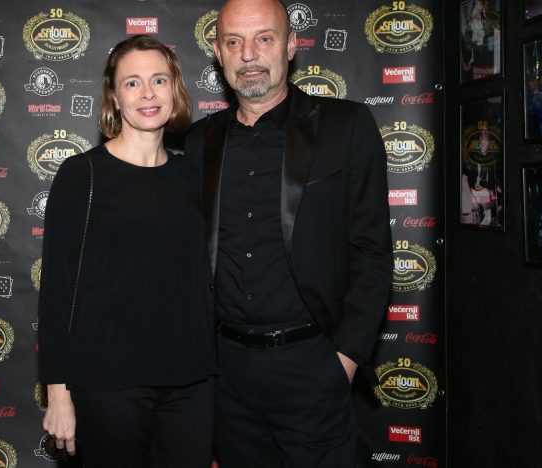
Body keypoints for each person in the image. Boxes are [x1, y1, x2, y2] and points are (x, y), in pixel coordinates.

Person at [184, 0, 393, 466]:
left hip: (313, 367)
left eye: (265, 38)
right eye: (234, 41)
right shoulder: (199, 141)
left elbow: (373, 252)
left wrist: (344, 361)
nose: (249, 54)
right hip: (227, 378)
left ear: (291, 45)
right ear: (218, 52)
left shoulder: (346, 126)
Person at [38, 35, 215, 468]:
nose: (148, 93)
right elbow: (58, 290)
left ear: (175, 89)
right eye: (132, 83)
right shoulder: (83, 175)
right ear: (115, 97)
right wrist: (58, 393)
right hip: (108, 384)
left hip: (192, 383)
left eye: (159, 80)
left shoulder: (194, 175)